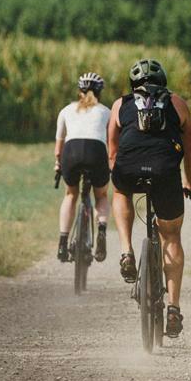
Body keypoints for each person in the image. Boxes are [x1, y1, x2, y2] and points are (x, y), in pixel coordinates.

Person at [107, 57, 191, 338]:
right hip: (165, 171)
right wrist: (190, 183)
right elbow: (190, 151)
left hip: (128, 166)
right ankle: (173, 307)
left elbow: (112, 147)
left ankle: (126, 250)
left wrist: (118, 171)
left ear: (132, 83)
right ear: (164, 82)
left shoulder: (120, 104)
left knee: (121, 191)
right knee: (171, 236)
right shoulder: (178, 103)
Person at [53, 72, 111, 264]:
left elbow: (58, 147)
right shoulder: (106, 112)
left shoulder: (66, 110)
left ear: (79, 91)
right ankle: (101, 231)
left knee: (70, 194)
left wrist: (58, 165)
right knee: (101, 195)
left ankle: (62, 242)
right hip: (96, 151)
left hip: (71, 151)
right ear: (100, 92)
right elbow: (112, 144)